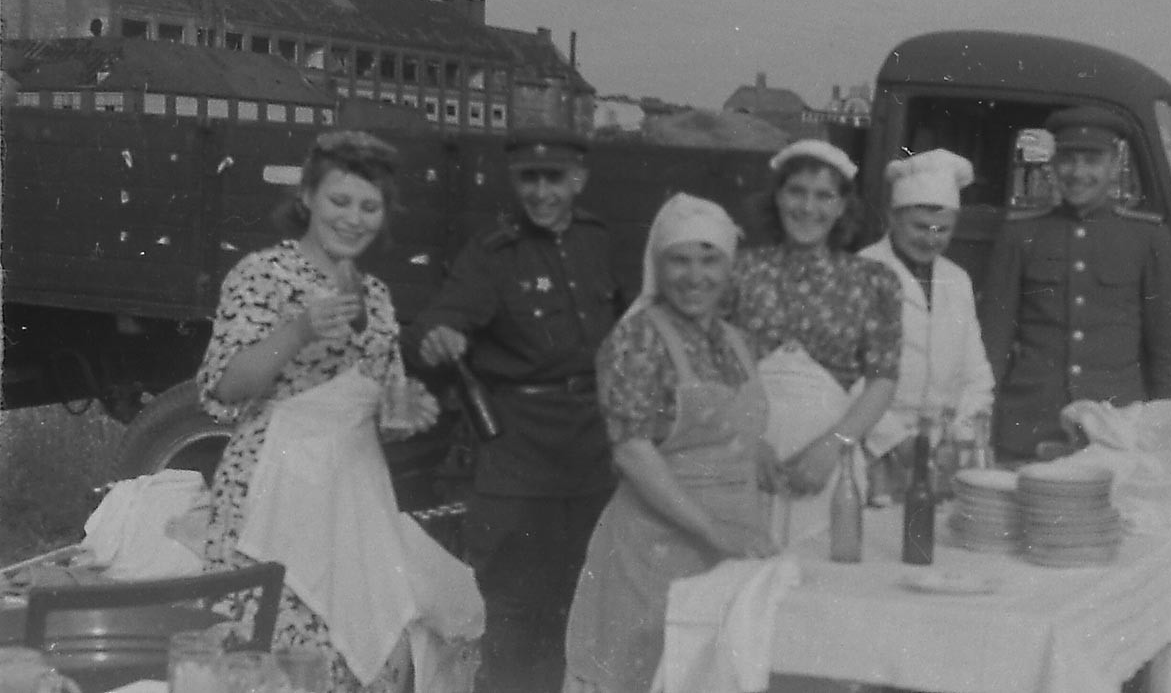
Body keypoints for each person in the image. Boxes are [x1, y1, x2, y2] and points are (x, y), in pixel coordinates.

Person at [198, 130, 483, 693]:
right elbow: (227, 386)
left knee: (366, 660)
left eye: (369, 206)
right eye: (339, 200)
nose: (353, 219)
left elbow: (378, 403)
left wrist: (402, 411)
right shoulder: (261, 275)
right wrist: (300, 329)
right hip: (273, 491)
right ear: (307, 197)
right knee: (278, 657)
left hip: (352, 495)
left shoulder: (375, 294)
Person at [410, 126, 622, 693]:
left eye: (554, 178)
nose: (541, 192)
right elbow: (436, 321)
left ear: (579, 178)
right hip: (520, 461)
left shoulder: (599, 241)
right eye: (529, 178)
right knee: (511, 616)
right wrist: (439, 338)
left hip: (593, 458)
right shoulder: (494, 253)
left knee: (584, 609)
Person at [563, 193, 777, 693]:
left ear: (729, 267)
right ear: (657, 266)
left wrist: (752, 446)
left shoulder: (734, 339)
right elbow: (633, 452)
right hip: (655, 550)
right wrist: (712, 529)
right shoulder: (636, 338)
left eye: (710, 259)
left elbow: (723, 423)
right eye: (679, 260)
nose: (694, 275)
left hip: (732, 545)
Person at [979, 105, 1171, 461]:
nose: (1078, 172)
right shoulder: (1020, 234)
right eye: (1067, 159)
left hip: (1116, 432)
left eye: (1092, 160)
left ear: (1114, 165)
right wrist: (979, 426)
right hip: (1029, 429)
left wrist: (1170, 441)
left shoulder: (1148, 238)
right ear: (1052, 163)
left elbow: (1169, 356)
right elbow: (993, 342)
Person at [727, 139, 902, 533]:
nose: (808, 208)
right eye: (796, 192)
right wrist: (746, 443)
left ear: (842, 207)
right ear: (777, 197)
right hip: (748, 454)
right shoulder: (739, 271)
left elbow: (882, 380)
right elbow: (712, 367)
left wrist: (832, 448)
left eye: (824, 196)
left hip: (829, 460)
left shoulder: (873, 281)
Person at [858, 149, 994, 456]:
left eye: (942, 229)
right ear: (893, 217)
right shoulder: (862, 270)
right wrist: (894, 441)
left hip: (944, 449)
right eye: (920, 226)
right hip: (874, 445)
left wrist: (959, 437)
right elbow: (847, 376)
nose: (931, 239)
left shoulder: (958, 280)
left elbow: (977, 375)